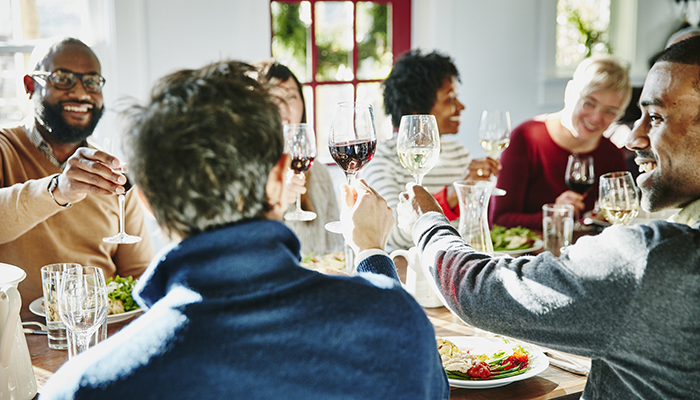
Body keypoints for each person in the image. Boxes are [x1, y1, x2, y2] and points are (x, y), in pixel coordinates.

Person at [41, 60, 449, 399]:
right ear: (278, 178)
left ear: (145, 199)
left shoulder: (79, 388)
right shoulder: (398, 323)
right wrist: (374, 257)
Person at [391, 36, 700, 400]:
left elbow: (477, 289)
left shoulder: (652, 258)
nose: (633, 136)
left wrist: (426, 219)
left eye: (656, 117)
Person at [0, 37, 153, 308]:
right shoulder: (5, 149)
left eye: (92, 81)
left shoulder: (111, 174)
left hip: (101, 336)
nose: (81, 94)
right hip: (18, 341)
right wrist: (59, 189)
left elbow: (139, 275)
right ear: (29, 85)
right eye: (63, 79)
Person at [363, 49, 499, 250]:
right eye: (449, 99)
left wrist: (476, 195)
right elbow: (396, 234)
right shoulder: (382, 157)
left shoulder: (458, 152)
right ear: (418, 113)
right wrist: (452, 196)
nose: (461, 107)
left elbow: (470, 230)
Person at [490, 55, 631, 230]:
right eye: (589, 103)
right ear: (570, 93)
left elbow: (616, 222)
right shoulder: (525, 138)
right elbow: (498, 220)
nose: (596, 118)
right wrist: (553, 215)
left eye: (610, 111)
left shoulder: (611, 155)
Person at [259, 61, 343, 256]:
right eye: (273, 97)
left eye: (290, 96)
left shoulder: (319, 173)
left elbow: (336, 249)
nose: (283, 106)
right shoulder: (244, 172)